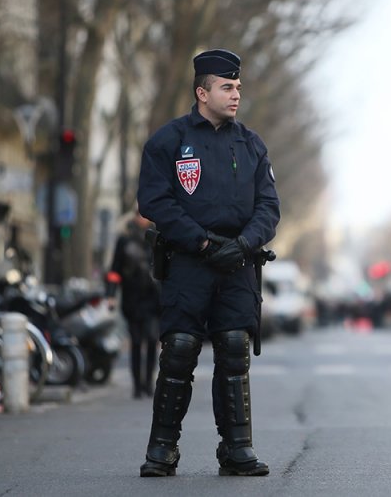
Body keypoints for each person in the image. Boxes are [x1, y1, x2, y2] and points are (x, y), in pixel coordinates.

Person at [136, 49, 280, 477]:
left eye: (238, 87)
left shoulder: (251, 144)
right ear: (202, 91)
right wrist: (200, 243)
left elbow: (269, 207)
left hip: (238, 264)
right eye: (227, 87)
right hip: (188, 263)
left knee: (235, 350)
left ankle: (236, 449)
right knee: (179, 352)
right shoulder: (168, 141)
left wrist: (244, 244)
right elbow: (155, 201)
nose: (236, 95)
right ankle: (162, 449)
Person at [106, 210, 160, 399]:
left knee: (153, 340)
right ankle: (137, 385)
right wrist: (111, 295)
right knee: (136, 343)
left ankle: (148, 384)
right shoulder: (125, 240)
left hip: (154, 299)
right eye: (139, 215)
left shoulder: (158, 236)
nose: (142, 219)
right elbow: (114, 270)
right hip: (132, 298)